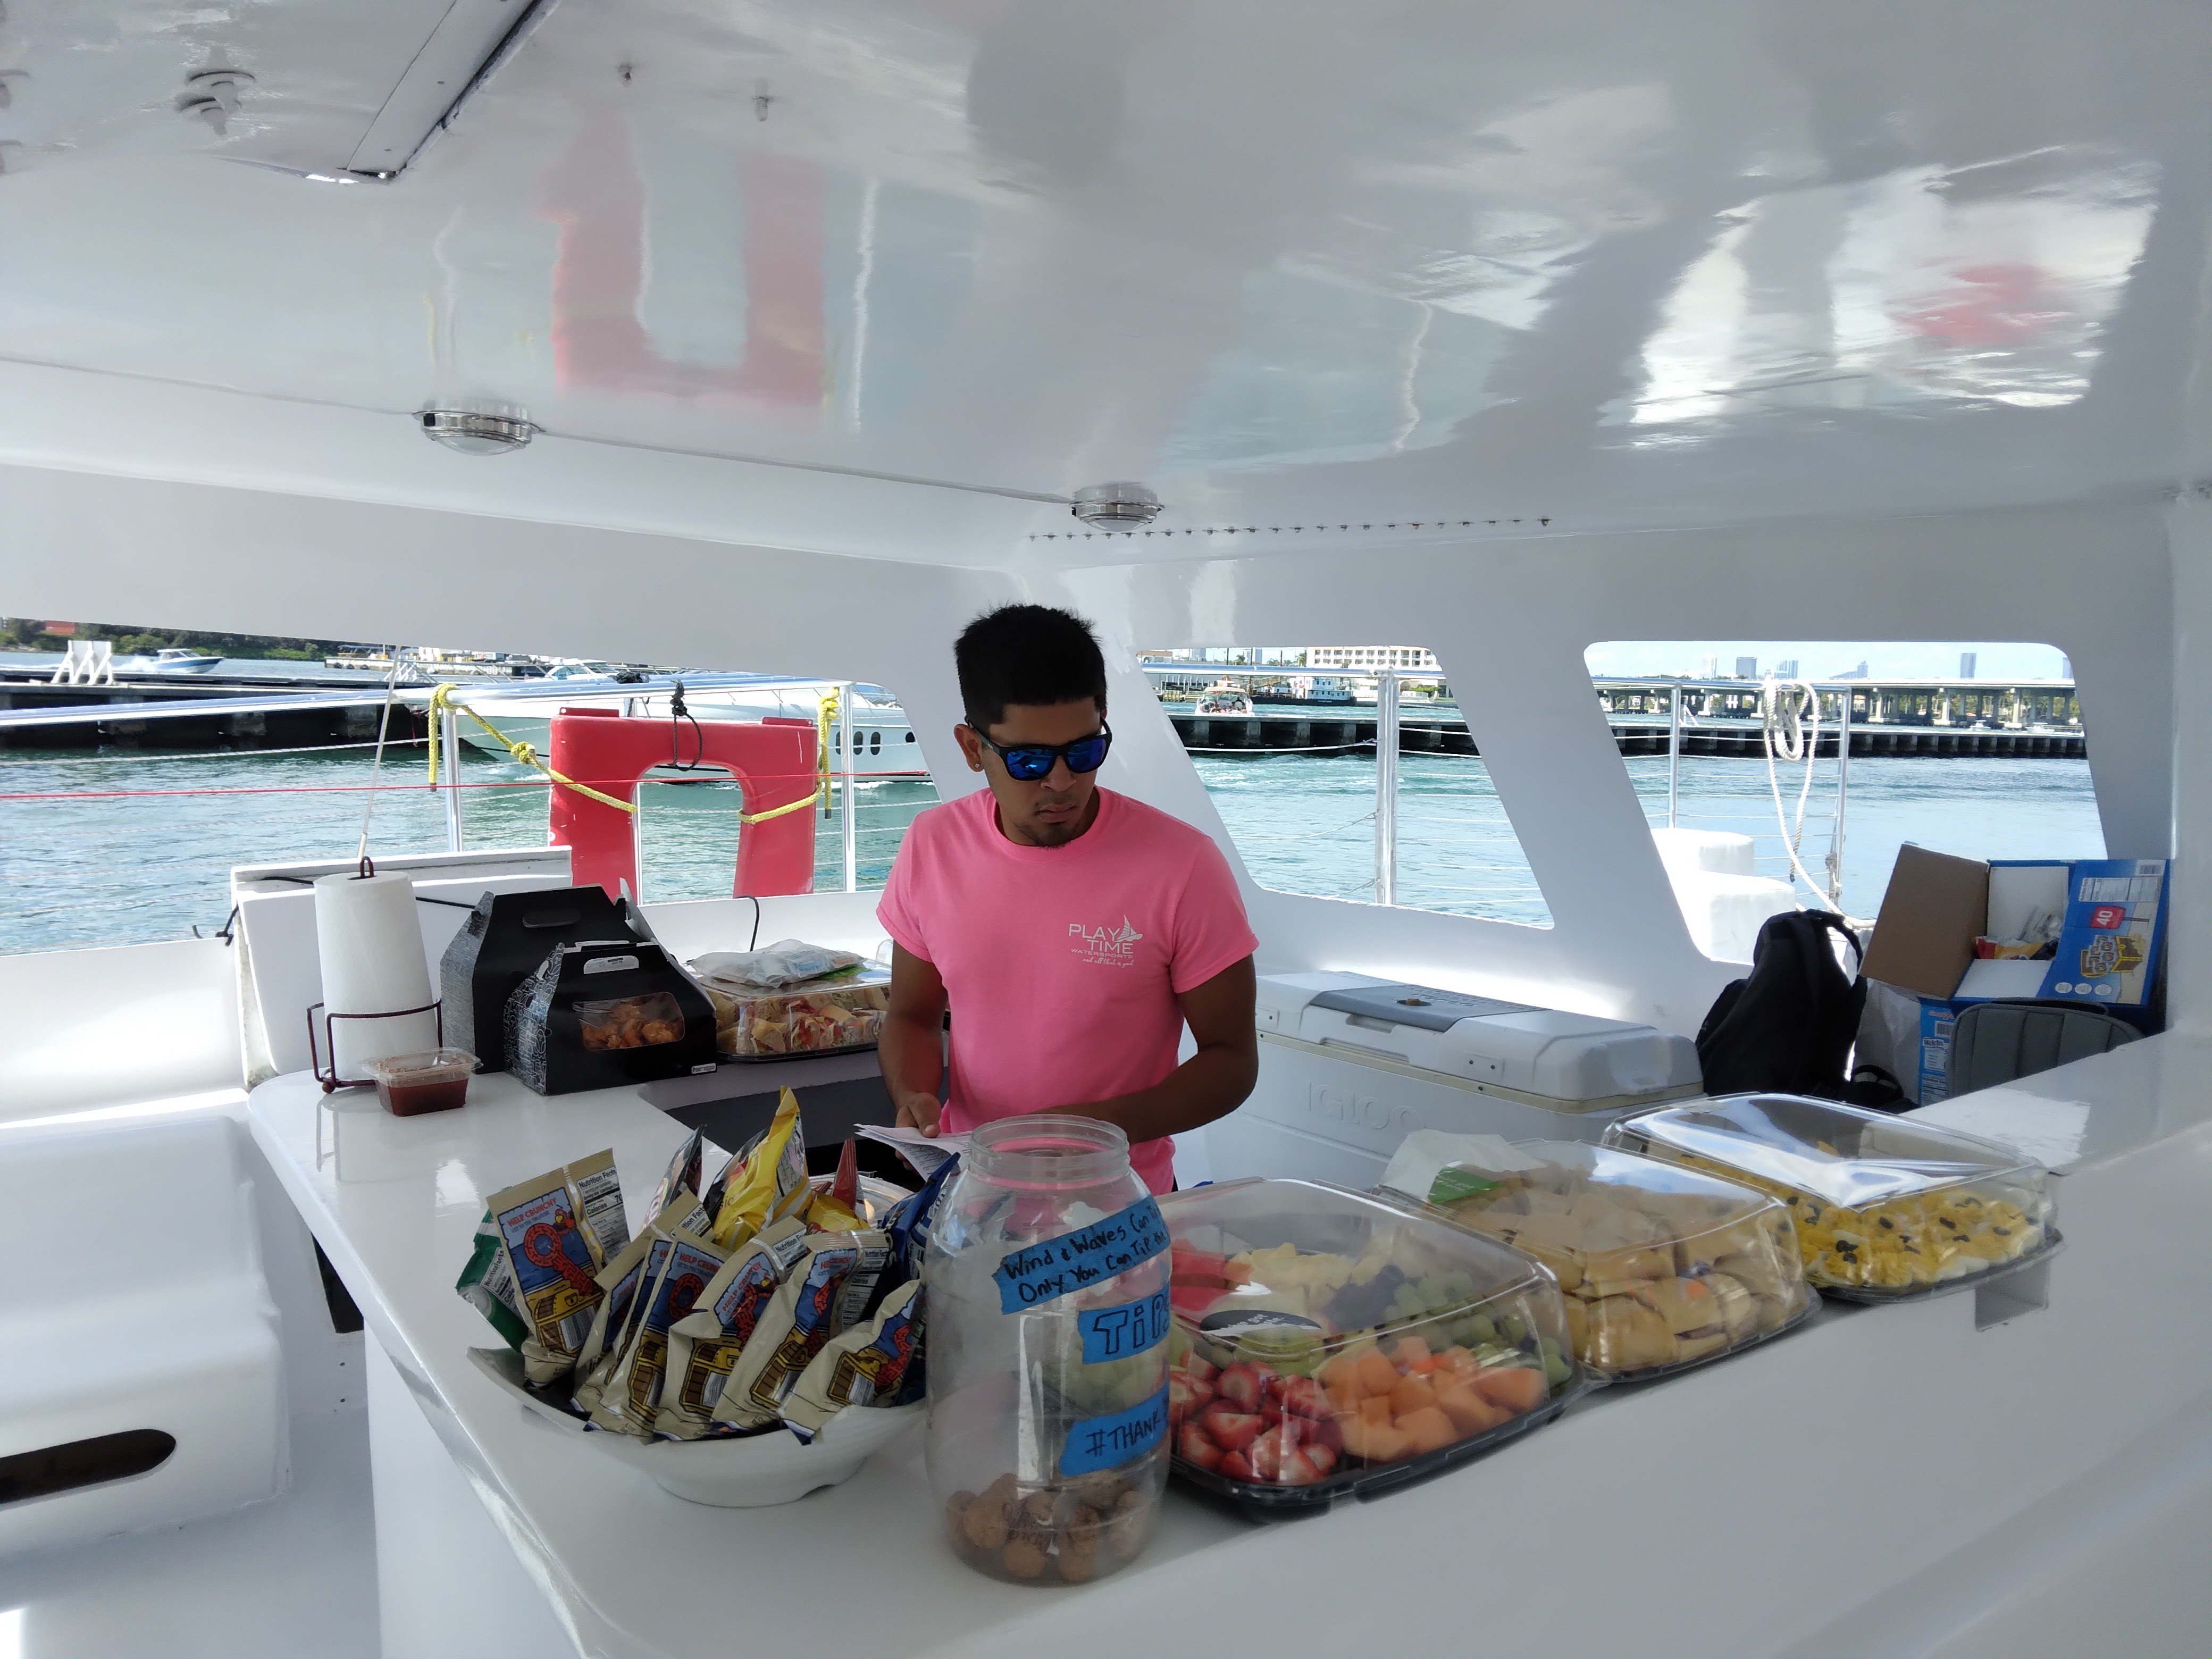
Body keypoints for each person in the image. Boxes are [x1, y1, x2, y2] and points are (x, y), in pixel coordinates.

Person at [874, 604, 1259, 1194]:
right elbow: (912, 1017)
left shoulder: (1182, 865)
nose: (1061, 782)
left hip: (1119, 1203)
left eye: (1082, 752)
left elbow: (1231, 1061)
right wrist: (914, 1096)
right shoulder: (931, 845)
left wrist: (1090, 1134)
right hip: (973, 1194)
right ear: (971, 748)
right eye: (1028, 761)